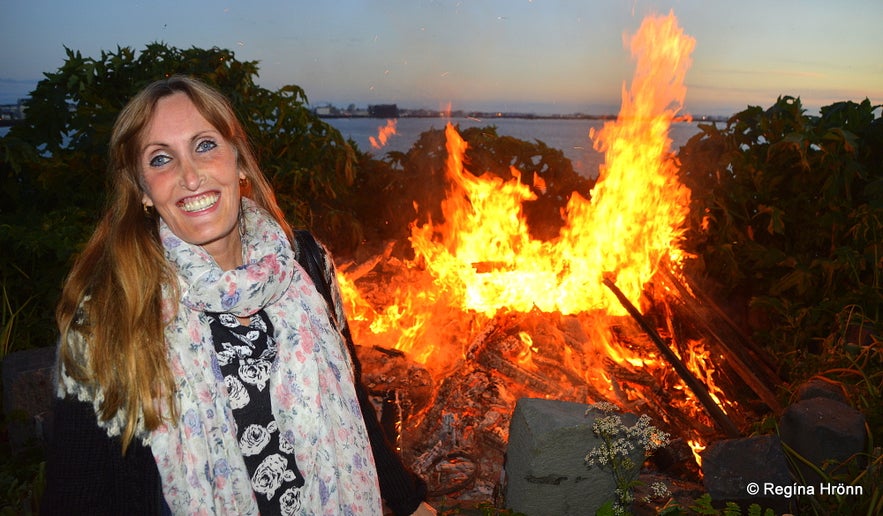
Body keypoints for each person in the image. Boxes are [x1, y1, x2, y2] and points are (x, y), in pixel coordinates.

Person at [42, 75, 432, 515]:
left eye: (205, 145)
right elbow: (75, 494)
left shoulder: (305, 262)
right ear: (143, 191)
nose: (190, 177)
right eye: (161, 159)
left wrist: (409, 501)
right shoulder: (108, 314)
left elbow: (351, 397)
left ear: (239, 163)